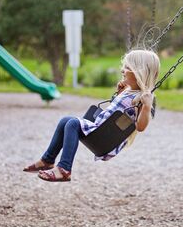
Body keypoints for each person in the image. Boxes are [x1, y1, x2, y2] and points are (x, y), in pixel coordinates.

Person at [23, 49, 160, 182]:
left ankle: (64, 169)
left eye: (127, 67)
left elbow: (140, 127)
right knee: (65, 120)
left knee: (73, 124)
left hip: (106, 139)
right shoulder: (129, 91)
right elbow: (115, 111)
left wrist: (147, 106)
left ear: (140, 72)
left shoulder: (143, 98)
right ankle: (47, 160)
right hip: (100, 130)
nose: (122, 70)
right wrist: (119, 93)